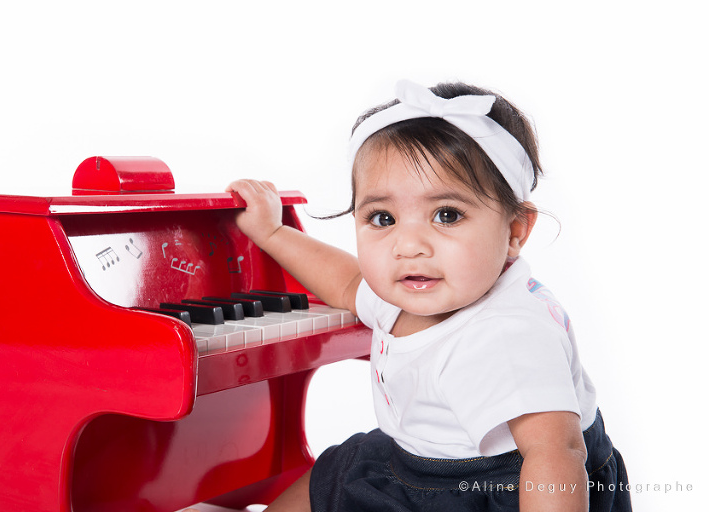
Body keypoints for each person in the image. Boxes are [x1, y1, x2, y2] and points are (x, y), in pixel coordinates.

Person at [227, 80, 630, 512]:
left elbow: (556, 452)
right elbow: (345, 283)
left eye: (447, 215)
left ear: (515, 231)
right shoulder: (409, 286)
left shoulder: (507, 334)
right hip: (414, 459)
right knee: (331, 480)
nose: (409, 245)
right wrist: (271, 233)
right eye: (383, 218)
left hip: (507, 484)